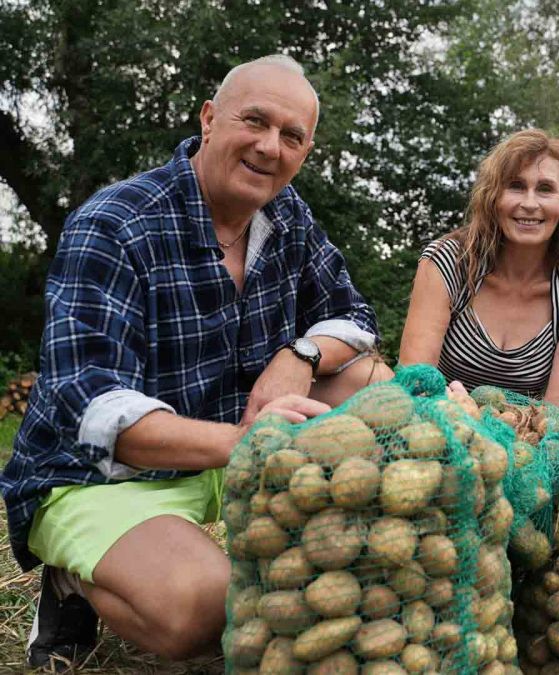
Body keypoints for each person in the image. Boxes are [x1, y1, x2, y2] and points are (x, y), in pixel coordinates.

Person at [0, 55, 392, 669]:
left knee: (374, 382)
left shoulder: (288, 218)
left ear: (306, 151)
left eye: (291, 137)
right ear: (209, 119)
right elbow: (100, 412)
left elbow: (357, 319)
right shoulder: (115, 224)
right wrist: (243, 441)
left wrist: (302, 354)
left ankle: (349, 551)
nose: (269, 147)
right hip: (98, 475)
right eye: (255, 122)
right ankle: (70, 581)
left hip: (223, 447)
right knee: (214, 610)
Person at [399, 129, 559, 430]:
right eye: (515, 186)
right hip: (438, 424)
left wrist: (499, 428)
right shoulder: (448, 261)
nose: (530, 203)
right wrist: (460, 417)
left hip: (526, 441)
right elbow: (414, 381)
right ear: (493, 197)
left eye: (546, 189)